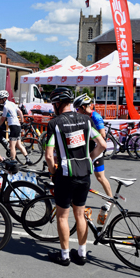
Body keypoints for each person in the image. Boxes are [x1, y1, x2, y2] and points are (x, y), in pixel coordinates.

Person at [45, 87, 106, 266]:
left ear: (57, 103)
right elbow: (102, 144)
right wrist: (89, 159)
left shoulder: (54, 123)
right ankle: (81, 254)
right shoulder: (86, 119)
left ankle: (64, 256)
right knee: (80, 215)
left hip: (65, 174)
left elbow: (49, 156)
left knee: (63, 216)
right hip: (84, 173)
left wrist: (52, 173)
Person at [73, 94, 112, 197]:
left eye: (77, 108)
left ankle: (110, 200)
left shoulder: (95, 117)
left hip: (95, 151)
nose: (76, 111)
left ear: (83, 107)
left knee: (100, 177)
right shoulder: (82, 116)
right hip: (85, 150)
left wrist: (83, 136)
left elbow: (102, 135)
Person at [0, 90, 34, 166]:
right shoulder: (12, 103)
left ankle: (13, 162)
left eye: (0, 99)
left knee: (11, 146)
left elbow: (3, 119)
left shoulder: (6, 106)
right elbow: (20, 112)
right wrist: (22, 121)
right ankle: (28, 159)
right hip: (18, 126)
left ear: (4, 99)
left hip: (13, 127)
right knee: (19, 145)